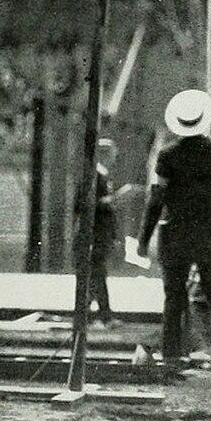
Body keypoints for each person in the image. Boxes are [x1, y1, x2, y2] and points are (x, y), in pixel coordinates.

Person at [138, 89, 211, 381]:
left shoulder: (167, 154)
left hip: (176, 235)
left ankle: (171, 360)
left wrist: (144, 239)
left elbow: (156, 198)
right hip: (209, 235)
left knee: (174, 300)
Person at [73, 139, 119, 329]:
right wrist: (110, 201)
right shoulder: (94, 176)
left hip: (100, 234)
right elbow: (83, 204)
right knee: (97, 275)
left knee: (95, 276)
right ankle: (102, 316)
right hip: (95, 235)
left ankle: (87, 315)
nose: (114, 158)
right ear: (104, 155)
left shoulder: (100, 175)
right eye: (112, 154)